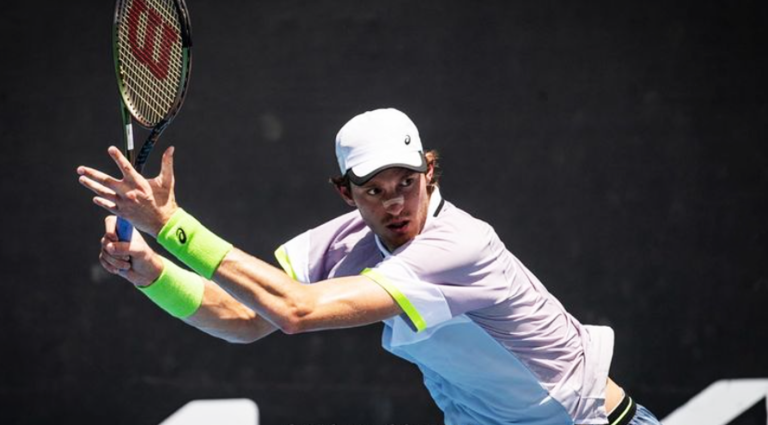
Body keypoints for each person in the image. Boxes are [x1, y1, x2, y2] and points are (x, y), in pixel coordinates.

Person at [77, 108, 661, 425]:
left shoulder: (461, 246)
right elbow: (243, 316)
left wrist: (173, 225)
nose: (396, 203)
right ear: (345, 193)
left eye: (407, 183)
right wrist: (152, 272)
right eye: (375, 190)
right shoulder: (346, 241)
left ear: (429, 173)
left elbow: (294, 312)